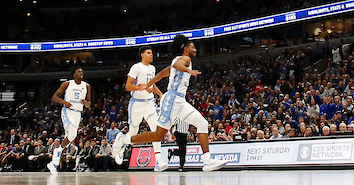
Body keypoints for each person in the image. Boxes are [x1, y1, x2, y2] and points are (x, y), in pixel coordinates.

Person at [110, 36, 226, 172]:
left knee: (202, 124)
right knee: (157, 135)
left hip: (180, 101)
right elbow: (177, 66)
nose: (195, 49)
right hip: (172, 100)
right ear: (186, 49)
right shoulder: (185, 60)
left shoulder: (177, 61)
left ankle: (207, 160)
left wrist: (148, 84)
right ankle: (123, 141)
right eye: (193, 47)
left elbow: (162, 74)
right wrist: (189, 71)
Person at [48, 68, 91, 173]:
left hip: (78, 113)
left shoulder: (86, 86)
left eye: (82, 72)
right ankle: (58, 152)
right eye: (79, 72)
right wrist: (64, 102)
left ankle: (54, 161)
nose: (81, 73)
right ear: (74, 74)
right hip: (67, 111)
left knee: (72, 136)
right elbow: (54, 97)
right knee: (72, 133)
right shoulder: (67, 84)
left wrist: (86, 103)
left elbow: (89, 104)